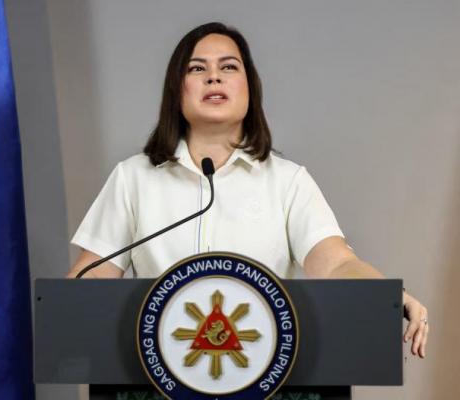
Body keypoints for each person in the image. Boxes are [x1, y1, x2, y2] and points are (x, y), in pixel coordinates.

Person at [66, 22, 428, 358]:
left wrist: (389, 297)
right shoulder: (134, 177)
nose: (213, 77)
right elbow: (92, 276)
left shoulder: (287, 181)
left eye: (228, 67)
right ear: (177, 89)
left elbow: (336, 263)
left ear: (249, 88)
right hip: (157, 368)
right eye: (196, 68)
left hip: (263, 369)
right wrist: (58, 308)